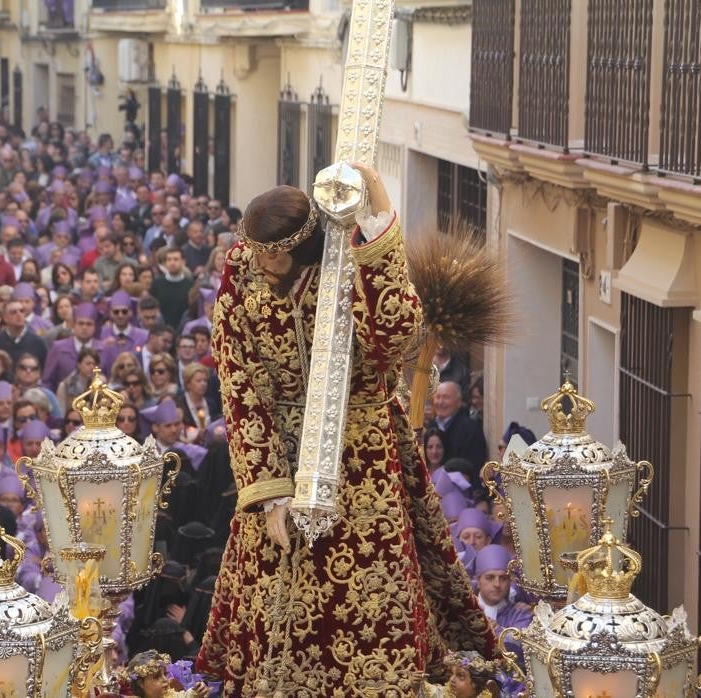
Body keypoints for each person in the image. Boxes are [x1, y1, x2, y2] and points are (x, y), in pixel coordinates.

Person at [195, 167, 495, 694]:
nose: (263, 265)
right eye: (258, 253)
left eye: (275, 256)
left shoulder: (347, 261)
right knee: (269, 590)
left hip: (362, 447)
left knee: (376, 588)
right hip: (280, 452)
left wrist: (379, 227)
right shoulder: (243, 268)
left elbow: (396, 337)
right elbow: (239, 381)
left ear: (302, 247)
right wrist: (269, 491)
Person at [434, 380, 489, 482]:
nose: (440, 402)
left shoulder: (471, 430)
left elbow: (474, 469)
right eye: (437, 397)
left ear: (458, 402)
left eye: (446, 397)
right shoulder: (430, 427)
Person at [0, 298, 49, 368]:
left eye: (21, 311)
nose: (19, 314)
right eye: (14, 312)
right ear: (5, 318)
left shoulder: (38, 343)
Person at [150, 248, 192, 328]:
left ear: (183, 262)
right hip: (160, 329)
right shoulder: (157, 284)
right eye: (169, 260)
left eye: (176, 259)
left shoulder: (190, 285)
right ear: (165, 263)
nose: (172, 263)